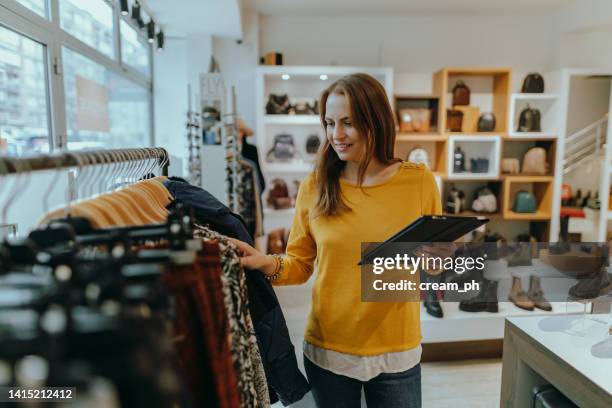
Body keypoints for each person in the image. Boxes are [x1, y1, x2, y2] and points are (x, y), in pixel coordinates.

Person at [230, 73, 443, 408]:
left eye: (348, 123)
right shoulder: (315, 187)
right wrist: (266, 263)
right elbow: (300, 265)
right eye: (329, 123)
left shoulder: (419, 183)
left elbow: (434, 265)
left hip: (397, 351)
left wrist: (436, 262)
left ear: (376, 122)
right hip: (331, 352)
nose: (336, 135)